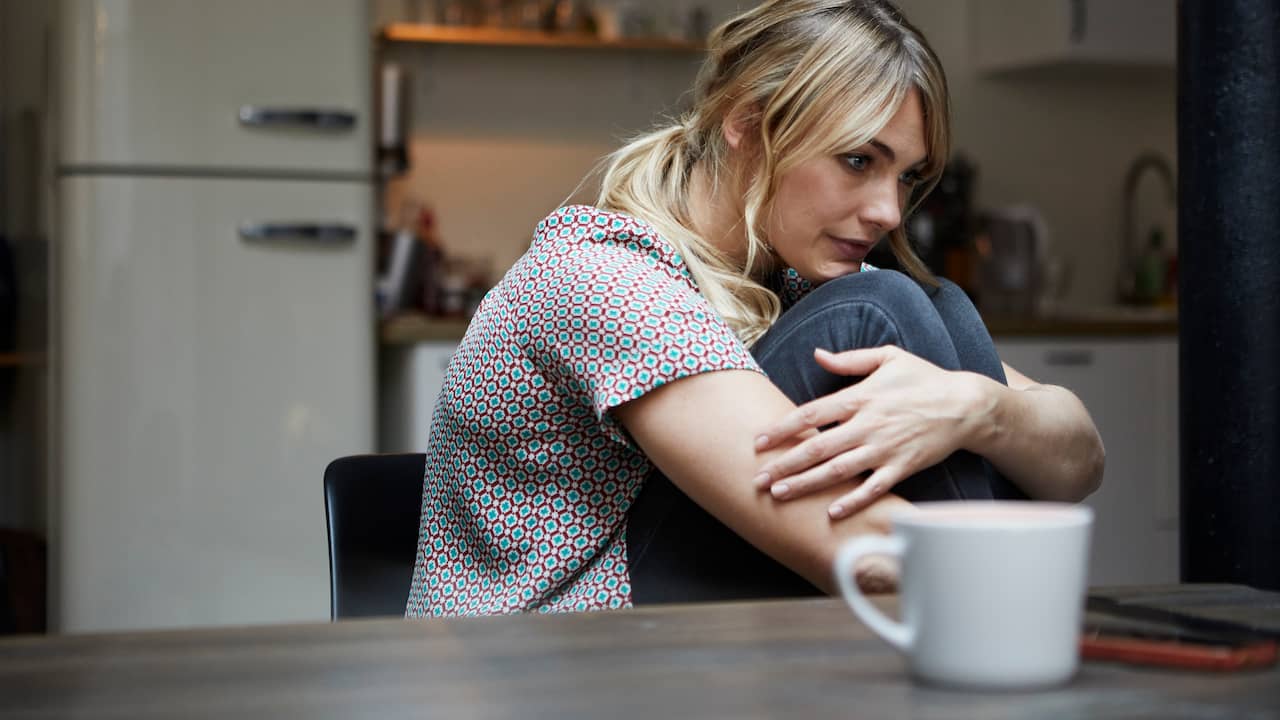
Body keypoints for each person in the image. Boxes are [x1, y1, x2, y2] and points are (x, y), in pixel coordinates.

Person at [405, 0, 1104, 617]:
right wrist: (1029, 594)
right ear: (748, 123)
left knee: (935, 302)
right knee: (885, 303)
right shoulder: (602, 279)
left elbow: (1079, 461)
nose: (890, 211)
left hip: (688, 647)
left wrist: (979, 411)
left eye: (906, 175)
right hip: (547, 665)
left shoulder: (788, 276)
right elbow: (863, 555)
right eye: (860, 160)